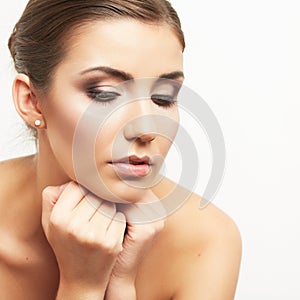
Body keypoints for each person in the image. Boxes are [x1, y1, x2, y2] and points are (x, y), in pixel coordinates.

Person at [0, 0, 242, 299]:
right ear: (31, 101)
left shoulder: (206, 242)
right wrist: (82, 286)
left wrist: (120, 286)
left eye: (164, 97)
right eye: (105, 94)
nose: (146, 129)